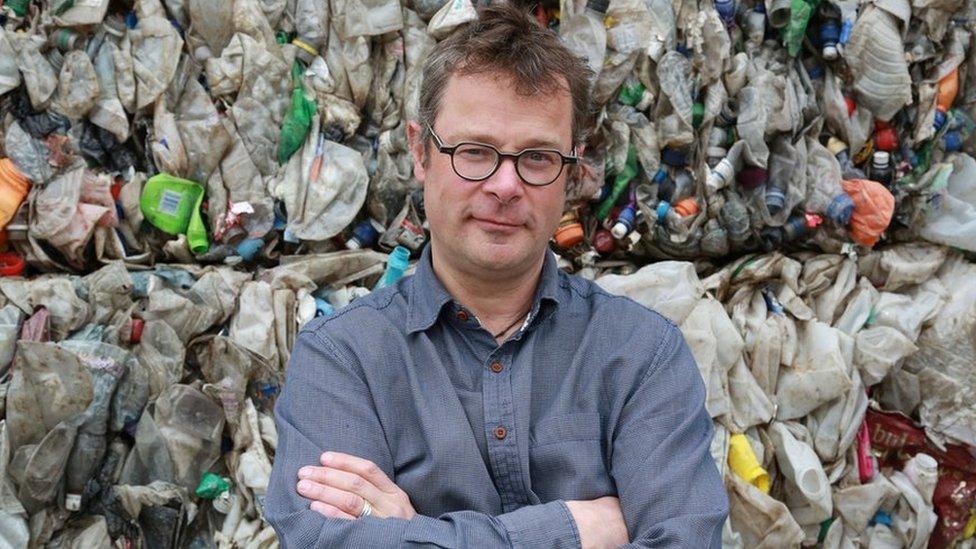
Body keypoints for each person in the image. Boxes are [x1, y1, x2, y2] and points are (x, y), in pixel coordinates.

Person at [265, 3, 729, 547]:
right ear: (421, 152)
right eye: (475, 151)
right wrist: (577, 529)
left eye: (536, 157)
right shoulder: (344, 359)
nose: (505, 186)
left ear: (572, 171)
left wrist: (414, 533)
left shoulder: (642, 356)